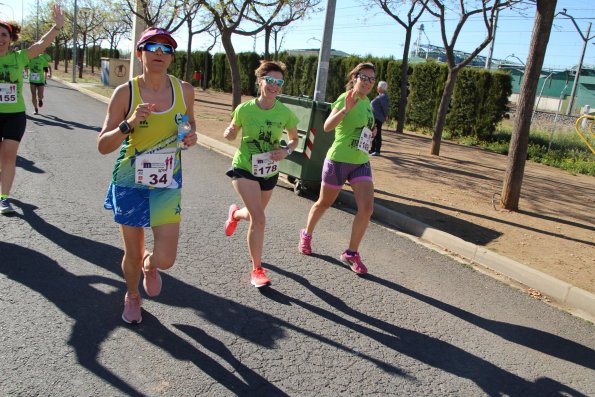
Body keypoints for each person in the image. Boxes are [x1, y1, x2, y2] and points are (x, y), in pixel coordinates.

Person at [97, 27, 197, 324]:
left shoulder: (184, 90)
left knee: (166, 258)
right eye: (152, 47)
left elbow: (190, 124)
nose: (159, 53)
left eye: (166, 49)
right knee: (132, 250)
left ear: (171, 57)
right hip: (130, 181)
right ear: (140, 53)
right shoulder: (125, 92)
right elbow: (103, 145)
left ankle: (150, 266)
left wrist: (190, 136)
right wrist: (129, 123)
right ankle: (132, 295)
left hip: (167, 181)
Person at [223, 60, 299, 288]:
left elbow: (295, 140)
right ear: (260, 81)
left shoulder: (285, 113)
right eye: (270, 80)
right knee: (260, 219)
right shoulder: (245, 109)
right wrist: (229, 132)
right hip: (244, 167)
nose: (274, 86)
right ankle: (257, 270)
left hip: (269, 170)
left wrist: (285, 151)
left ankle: (235, 215)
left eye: (279, 82)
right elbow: (232, 132)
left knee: (254, 215)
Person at [299, 62, 377, 275]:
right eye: (364, 77)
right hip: (339, 160)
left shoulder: (368, 102)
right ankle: (306, 234)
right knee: (324, 203)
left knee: (367, 208)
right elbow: (327, 126)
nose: (368, 82)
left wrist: (371, 131)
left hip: (360, 161)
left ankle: (351, 253)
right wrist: (345, 109)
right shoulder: (346, 98)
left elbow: (363, 126)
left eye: (372, 79)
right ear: (355, 78)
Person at [0, 5, 64, 215]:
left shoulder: (19, 58)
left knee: (9, 157)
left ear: (10, 38)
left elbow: (41, 44)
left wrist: (57, 26)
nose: (0, 39)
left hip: (14, 116)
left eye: (4, 35)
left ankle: (4, 198)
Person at [369, 80, 389, 156]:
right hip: (375, 117)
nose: (377, 88)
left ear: (381, 88)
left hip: (378, 118)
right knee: (374, 133)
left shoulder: (383, 97)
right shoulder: (380, 96)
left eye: (378, 86)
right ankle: (372, 149)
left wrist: (386, 115)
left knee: (377, 134)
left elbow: (385, 108)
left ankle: (377, 150)